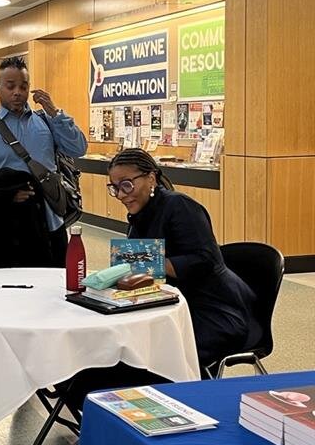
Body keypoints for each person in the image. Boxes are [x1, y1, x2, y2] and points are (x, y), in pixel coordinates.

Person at [107, 148, 259, 368]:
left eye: (127, 185)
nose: (121, 194)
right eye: (115, 188)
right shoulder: (141, 214)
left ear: (151, 178)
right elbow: (136, 268)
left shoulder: (179, 206)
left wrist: (145, 262)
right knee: (118, 346)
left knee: (144, 357)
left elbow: (204, 260)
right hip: (171, 307)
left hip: (215, 312)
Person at [0, 56, 87, 268]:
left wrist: (54, 112)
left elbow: (78, 148)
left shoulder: (46, 122)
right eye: (10, 86)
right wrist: (6, 194)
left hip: (49, 221)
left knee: (51, 287)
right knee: (3, 291)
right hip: (3, 228)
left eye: (23, 86)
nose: (17, 92)